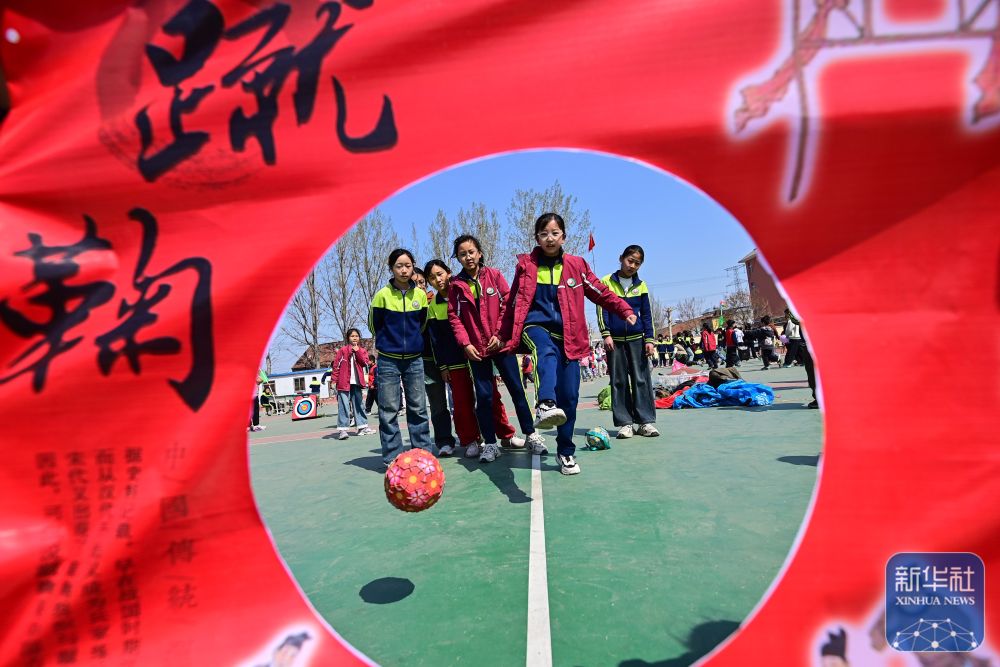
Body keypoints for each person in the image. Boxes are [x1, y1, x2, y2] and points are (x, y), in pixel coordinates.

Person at [499, 213, 635, 475]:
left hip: (570, 337)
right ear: (537, 238)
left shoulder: (577, 265)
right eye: (543, 234)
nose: (549, 238)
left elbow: (601, 292)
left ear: (563, 237)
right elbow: (512, 302)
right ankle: (545, 404)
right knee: (545, 350)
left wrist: (624, 309)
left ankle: (565, 452)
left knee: (570, 398)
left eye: (554, 233)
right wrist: (503, 334)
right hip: (535, 327)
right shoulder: (526, 266)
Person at [447, 235, 541, 463]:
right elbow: (454, 318)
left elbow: (508, 305)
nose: (468, 257)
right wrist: (466, 344)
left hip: (502, 346)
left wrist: (500, 335)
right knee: (484, 397)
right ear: (457, 258)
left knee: (517, 390)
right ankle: (490, 444)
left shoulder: (495, 276)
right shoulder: (456, 286)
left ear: (479, 253)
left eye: (471, 252)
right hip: (476, 352)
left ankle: (531, 434)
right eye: (462, 254)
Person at [425, 259, 521, 457]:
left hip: (479, 355)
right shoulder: (433, 306)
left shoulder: (464, 289)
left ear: (448, 272)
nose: (438, 280)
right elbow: (436, 341)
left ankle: (505, 434)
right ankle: (470, 440)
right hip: (456, 361)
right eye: (432, 278)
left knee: (491, 397)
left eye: (440, 274)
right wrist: (443, 366)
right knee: (461, 402)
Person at [368, 248, 434, 467]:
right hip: (388, 360)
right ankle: (392, 458)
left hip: (415, 360)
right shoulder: (382, 295)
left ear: (413, 267)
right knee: (388, 410)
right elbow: (374, 325)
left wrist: (413, 342)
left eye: (408, 266)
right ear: (391, 268)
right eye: (399, 266)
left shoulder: (420, 296)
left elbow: (422, 324)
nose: (404, 270)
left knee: (418, 408)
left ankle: (422, 454)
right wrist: (389, 342)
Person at [597, 244, 659, 439]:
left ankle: (645, 422)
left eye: (637, 263)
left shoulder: (641, 285)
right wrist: (606, 333)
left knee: (642, 380)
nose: (632, 266)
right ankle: (625, 423)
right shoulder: (606, 281)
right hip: (614, 341)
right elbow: (602, 309)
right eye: (630, 261)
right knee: (619, 381)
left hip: (637, 339)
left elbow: (647, 314)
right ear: (621, 258)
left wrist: (649, 339)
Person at [330, 328, 376, 440]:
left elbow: (364, 363)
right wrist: (333, 380)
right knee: (344, 406)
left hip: (357, 383)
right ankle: (343, 430)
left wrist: (357, 351)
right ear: (348, 338)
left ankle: (362, 427)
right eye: (352, 336)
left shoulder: (362, 350)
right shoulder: (342, 351)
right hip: (343, 383)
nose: (354, 338)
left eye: (356, 336)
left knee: (359, 405)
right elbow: (336, 366)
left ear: (359, 338)